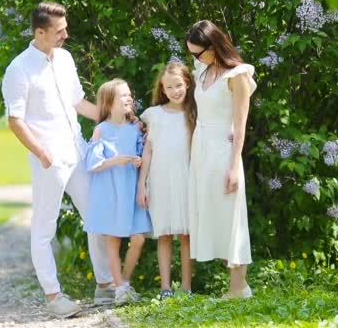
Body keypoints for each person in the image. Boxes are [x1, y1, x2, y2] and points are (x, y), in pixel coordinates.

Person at [1, 2, 114, 317]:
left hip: (77, 150)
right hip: (48, 159)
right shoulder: (19, 69)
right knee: (44, 228)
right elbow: (15, 120)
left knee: (97, 215)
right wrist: (41, 152)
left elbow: (78, 102)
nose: (66, 34)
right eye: (59, 31)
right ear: (40, 32)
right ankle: (54, 297)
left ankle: (105, 286)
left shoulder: (65, 58)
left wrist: (113, 120)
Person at [185, 20, 257, 299]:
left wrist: (233, 166)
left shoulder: (237, 75)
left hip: (223, 150)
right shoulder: (203, 70)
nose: (195, 59)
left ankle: (238, 286)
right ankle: (236, 285)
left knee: (231, 213)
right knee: (212, 212)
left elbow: (240, 124)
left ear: (213, 47)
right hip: (201, 149)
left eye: (198, 53)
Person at [83, 79, 152, 306]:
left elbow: (142, 154)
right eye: (123, 95)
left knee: (139, 238)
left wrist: (139, 159)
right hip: (111, 191)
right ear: (109, 102)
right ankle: (121, 288)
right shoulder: (101, 130)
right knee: (114, 241)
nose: (129, 98)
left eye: (129, 94)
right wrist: (115, 161)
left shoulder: (135, 128)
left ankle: (125, 282)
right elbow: (93, 164)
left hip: (130, 189)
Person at [136, 62, 196, 299]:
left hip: (186, 179)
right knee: (164, 234)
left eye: (179, 85)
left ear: (188, 84)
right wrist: (142, 184)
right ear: (162, 89)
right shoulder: (154, 115)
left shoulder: (194, 114)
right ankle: (166, 288)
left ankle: (187, 287)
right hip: (160, 180)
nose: (175, 91)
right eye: (169, 87)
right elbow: (148, 151)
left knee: (186, 234)